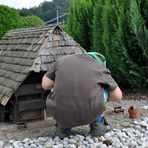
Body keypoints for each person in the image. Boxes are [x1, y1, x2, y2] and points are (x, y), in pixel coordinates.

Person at [42, 52, 122, 138]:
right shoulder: (99, 66)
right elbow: (118, 96)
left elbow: (45, 85)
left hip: (59, 112)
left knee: (54, 89)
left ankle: (62, 128)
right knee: (103, 90)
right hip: (90, 112)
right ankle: (97, 126)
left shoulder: (61, 60)